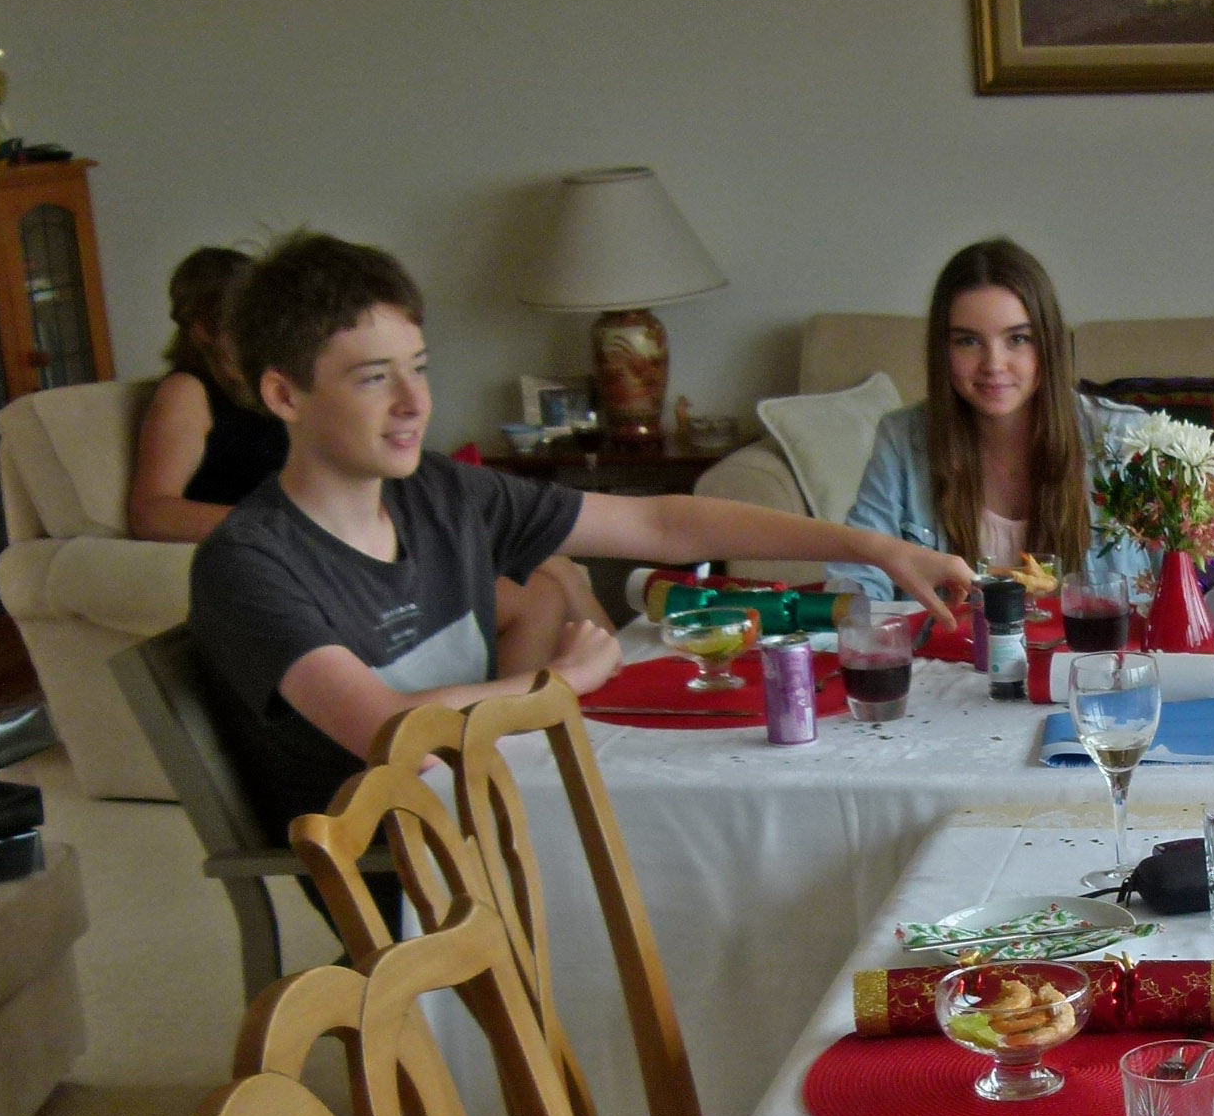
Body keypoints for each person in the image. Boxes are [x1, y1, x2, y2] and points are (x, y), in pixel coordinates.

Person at [186, 231, 975, 833]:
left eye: (418, 368)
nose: (414, 402)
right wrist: (551, 685)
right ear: (284, 395)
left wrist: (871, 546)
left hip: (491, 806)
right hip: (406, 869)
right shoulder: (248, 562)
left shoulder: (439, 492)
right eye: (372, 378)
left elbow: (662, 520)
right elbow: (395, 733)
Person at [825, 238, 1148, 602]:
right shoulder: (901, 440)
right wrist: (855, 614)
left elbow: (1193, 570)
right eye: (968, 341)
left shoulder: (1125, 439)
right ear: (942, 350)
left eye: (1018, 339)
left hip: (1090, 642)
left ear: (1048, 345)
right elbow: (857, 574)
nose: (993, 364)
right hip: (947, 641)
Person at [127, 246, 291, 542]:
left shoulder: (275, 382)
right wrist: (279, 529)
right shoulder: (186, 390)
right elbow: (151, 514)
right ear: (203, 329)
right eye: (245, 320)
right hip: (258, 548)